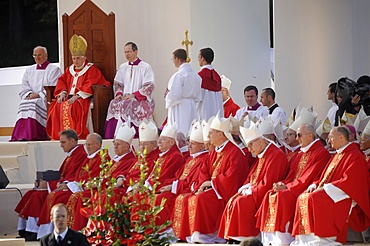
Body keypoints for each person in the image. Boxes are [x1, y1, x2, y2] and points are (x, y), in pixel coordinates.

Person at [175, 114, 249, 243]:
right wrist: (204, 184)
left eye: (211, 133)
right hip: (213, 188)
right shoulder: (215, 151)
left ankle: (207, 235)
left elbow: (233, 177)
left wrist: (212, 184)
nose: (208, 136)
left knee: (201, 198)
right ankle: (194, 234)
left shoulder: (234, 152)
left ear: (220, 134)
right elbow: (204, 170)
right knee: (190, 197)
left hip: (223, 192)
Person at [290, 126, 370, 245]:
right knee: (303, 197)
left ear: (341, 137)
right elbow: (323, 177)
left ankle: (324, 238)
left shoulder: (354, 155)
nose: (328, 141)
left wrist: (326, 188)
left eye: (331, 138)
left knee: (314, 197)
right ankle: (306, 239)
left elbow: (351, 181)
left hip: (342, 195)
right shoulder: (337, 154)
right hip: (331, 191)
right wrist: (314, 186)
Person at [256, 123, 330, 246]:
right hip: (294, 186)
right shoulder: (300, 154)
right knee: (270, 193)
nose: (297, 138)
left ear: (310, 136)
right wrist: (282, 183)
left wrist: (288, 187)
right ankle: (271, 239)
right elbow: (291, 176)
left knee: (282, 196)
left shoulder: (321, 153)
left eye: (299, 135)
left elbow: (309, 177)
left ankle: (284, 239)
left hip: (305, 188)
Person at [218, 123, 288, 243]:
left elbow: (269, 182)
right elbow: (252, 176)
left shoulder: (276, 156)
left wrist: (251, 191)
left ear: (260, 141)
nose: (249, 149)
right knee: (234, 198)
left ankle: (246, 237)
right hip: (257, 190)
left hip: (265, 192)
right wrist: (245, 187)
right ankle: (236, 236)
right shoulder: (262, 155)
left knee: (242, 201)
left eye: (251, 145)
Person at [14, 129, 86, 241]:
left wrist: (49, 184)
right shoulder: (72, 154)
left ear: (72, 141)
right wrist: (44, 181)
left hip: (70, 188)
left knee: (39, 196)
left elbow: (72, 178)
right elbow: (63, 175)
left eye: (63, 142)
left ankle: (36, 231)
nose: (61, 145)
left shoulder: (79, 155)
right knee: (31, 193)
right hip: (62, 185)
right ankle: (25, 229)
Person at [67, 124, 136, 231]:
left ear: (127, 146)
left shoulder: (131, 160)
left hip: (115, 189)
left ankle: (97, 230)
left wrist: (100, 183)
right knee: (80, 196)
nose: (115, 147)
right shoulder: (116, 159)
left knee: (85, 196)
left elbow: (123, 176)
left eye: (118, 144)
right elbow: (104, 175)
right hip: (104, 187)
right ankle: (78, 229)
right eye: (114, 144)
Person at [37, 133, 107, 239]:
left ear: (98, 145)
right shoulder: (89, 158)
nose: (87, 147)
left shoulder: (102, 158)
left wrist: (69, 186)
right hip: (79, 186)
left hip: (91, 188)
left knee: (70, 196)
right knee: (56, 194)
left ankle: (75, 230)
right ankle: (51, 231)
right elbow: (77, 176)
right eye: (86, 144)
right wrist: (67, 184)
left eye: (90, 144)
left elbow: (94, 178)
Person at [46, 34, 110, 140]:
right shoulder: (69, 69)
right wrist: (62, 93)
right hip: (68, 96)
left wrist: (77, 96)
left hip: (82, 98)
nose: (75, 61)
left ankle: (76, 136)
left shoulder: (91, 69)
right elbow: (61, 81)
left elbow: (91, 83)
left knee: (75, 106)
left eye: (78, 58)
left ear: (84, 58)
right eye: (74, 58)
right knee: (56, 105)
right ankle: (60, 136)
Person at [105, 42, 155, 139]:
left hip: (139, 98)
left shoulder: (145, 67)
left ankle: (132, 135)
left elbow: (148, 87)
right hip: (125, 97)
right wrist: (119, 94)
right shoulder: (123, 67)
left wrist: (134, 95)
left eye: (129, 52)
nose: (127, 54)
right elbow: (118, 84)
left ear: (136, 52)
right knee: (113, 103)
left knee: (129, 104)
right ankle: (112, 136)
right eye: (125, 52)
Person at [11, 46, 62, 141]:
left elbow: (54, 87)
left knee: (34, 104)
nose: (37, 57)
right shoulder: (29, 70)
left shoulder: (54, 70)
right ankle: (22, 135)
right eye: (35, 55)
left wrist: (39, 95)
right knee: (23, 103)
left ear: (46, 56)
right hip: (31, 97)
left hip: (45, 99)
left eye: (39, 55)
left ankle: (34, 135)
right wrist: (29, 94)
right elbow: (24, 86)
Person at [165, 48, 202, 136]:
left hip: (180, 107)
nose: (173, 61)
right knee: (190, 130)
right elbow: (198, 96)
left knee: (180, 129)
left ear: (177, 59)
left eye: (173, 59)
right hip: (191, 106)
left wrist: (167, 97)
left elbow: (174, 95)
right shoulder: (196, 75)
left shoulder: (179, 75)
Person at [196, 47, 223, 120]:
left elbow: (196, 97)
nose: (198, 59)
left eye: (198, 57)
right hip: (216, 114)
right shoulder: (217, 76)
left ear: (202, 58)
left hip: (204, 114)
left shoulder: (199, 76)